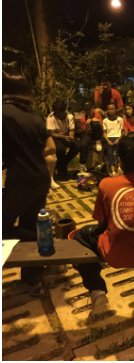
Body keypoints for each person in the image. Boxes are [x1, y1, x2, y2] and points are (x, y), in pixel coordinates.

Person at [73, 134, 134, 323]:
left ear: (120, 161)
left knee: (80, 235)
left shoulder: (106, 184)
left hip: (113, 253)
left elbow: (102, 223)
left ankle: (97, 292)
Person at [2, 75, 57, 296]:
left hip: (19, 180)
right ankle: (32, 280)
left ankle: (40, 239)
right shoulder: (34, 117)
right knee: (31, 222)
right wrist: (31, 155)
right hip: (40, 179)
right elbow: (51, 146)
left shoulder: (3, 114)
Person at [47, 99, 80, 181]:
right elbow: (52, 133)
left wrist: (71, 136)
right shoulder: (51, 117)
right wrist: (63, 137)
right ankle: (62, 169)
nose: (61, 114)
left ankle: (60, 165)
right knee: (61, 149)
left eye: (63, 112)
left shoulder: (69, 116)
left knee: (77, 146)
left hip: (66, 135)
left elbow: (72, 130)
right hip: (55, 136)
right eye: (59, 112)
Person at [79, 102, 103, 172]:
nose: (88, 111)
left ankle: (98, 141)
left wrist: (98, 121)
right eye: (86, 110)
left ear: (93, 109)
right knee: (83, 144)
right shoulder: (83, 118)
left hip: (97, 133)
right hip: (88, 133)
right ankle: (82, 164)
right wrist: (86, 124)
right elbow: (85, 132)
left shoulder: (97, 115)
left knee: (95, 124)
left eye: (89, 109)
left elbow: (102, 128)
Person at [103, 102, 123, 177]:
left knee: (118, 154)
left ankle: (119, 168)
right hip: (109, 138)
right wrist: (108, 141)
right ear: (107, 110)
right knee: (110, 154)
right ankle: (113, 171)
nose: (111, 110)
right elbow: (104, 133)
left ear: (116, 109)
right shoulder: (105, 120)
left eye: (112, 109)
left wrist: (119, 139)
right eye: (109, 109)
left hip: (118, 137)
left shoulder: (120, 119)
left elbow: (122, 132)